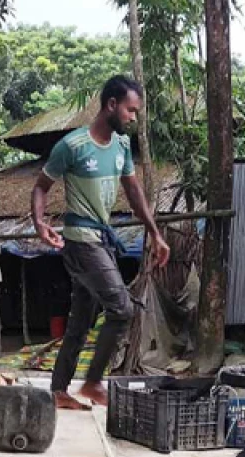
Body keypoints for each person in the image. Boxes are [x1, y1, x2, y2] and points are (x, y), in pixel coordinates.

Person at [31, 75, 170, 410]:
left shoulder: (121, 146)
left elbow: (134, 192)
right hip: (81, 242)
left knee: (81, 319)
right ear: (111, 105)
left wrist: (155, 232)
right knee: (121, 309)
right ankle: (93, 382)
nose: (133, 118)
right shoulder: (73, 146)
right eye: (130, 110)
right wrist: (39, 222)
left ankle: (59, 390)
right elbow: (41, 187)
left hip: (103, 240)